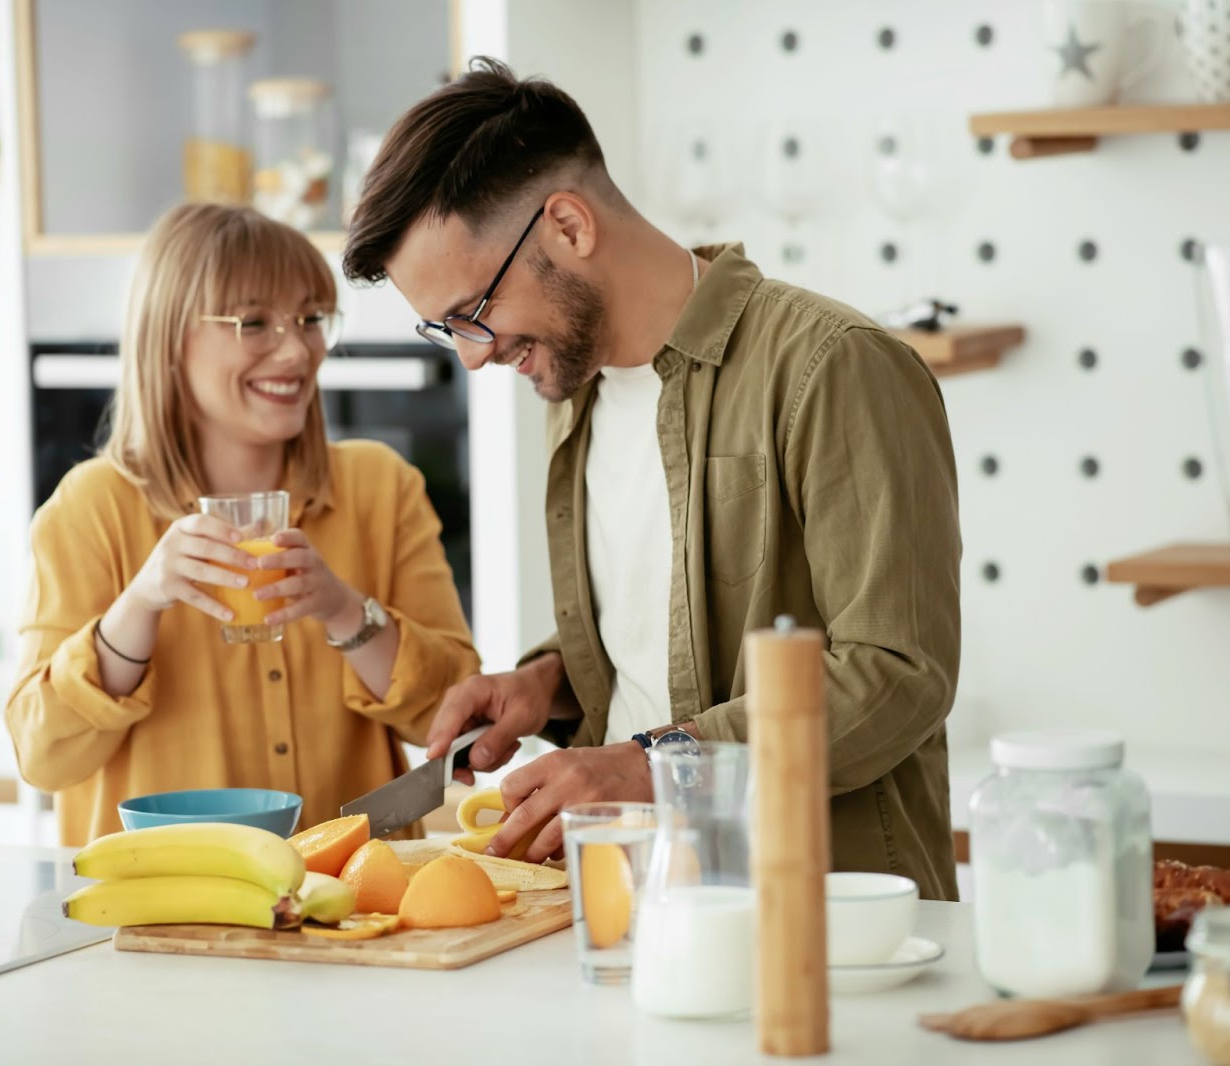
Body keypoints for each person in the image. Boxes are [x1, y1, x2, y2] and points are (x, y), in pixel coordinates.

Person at [344, 60, 962, 900]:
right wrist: (548, 684)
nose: (473, 354)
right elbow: (667, 626)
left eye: (472, 312)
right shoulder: (574, 393)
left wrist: (651, 768)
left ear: (567, 225)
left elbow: (898, 675)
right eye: (443, 329)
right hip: (638, 909)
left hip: (827, 921)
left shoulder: (831, 365)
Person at [6, 203, 479, 846]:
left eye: (311, 319)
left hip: (358, 911)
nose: (295, 348)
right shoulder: (91, 508)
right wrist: (141, 606)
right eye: (253, 322)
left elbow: (457, 722)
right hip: (167, 912)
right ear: (170, 338)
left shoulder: (380, 487)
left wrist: (345, 611)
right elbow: (43, 755)